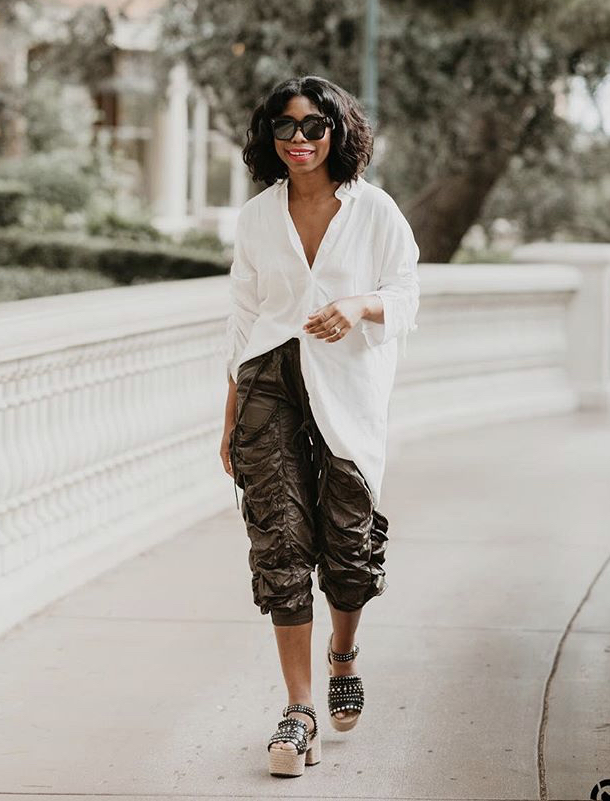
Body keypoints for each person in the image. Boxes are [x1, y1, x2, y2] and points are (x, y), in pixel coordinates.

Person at [218, 75, 421, 778]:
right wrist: (230, 417)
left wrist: (360, 304)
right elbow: (243, 320)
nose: (299, 139)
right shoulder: (257, 217)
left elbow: (407, 292)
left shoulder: (375, 210)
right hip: (267, 379)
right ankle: (299, 709)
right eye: (285, 126)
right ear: (268, 136)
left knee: (349, 543)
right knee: (278, 541)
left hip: (347, 388)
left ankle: (343, 653)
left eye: (313, 126)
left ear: (337, 131)